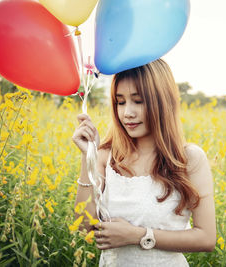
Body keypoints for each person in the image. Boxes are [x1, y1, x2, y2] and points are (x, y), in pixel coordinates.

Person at [72, 59, 216, 266]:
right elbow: (84, 226)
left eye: (138, 101)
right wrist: (89, 157)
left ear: (162, 101)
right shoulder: (106, 155)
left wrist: (138, 235)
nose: (127, 113)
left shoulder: (189, 159)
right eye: (120, 102)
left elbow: (206, 238)